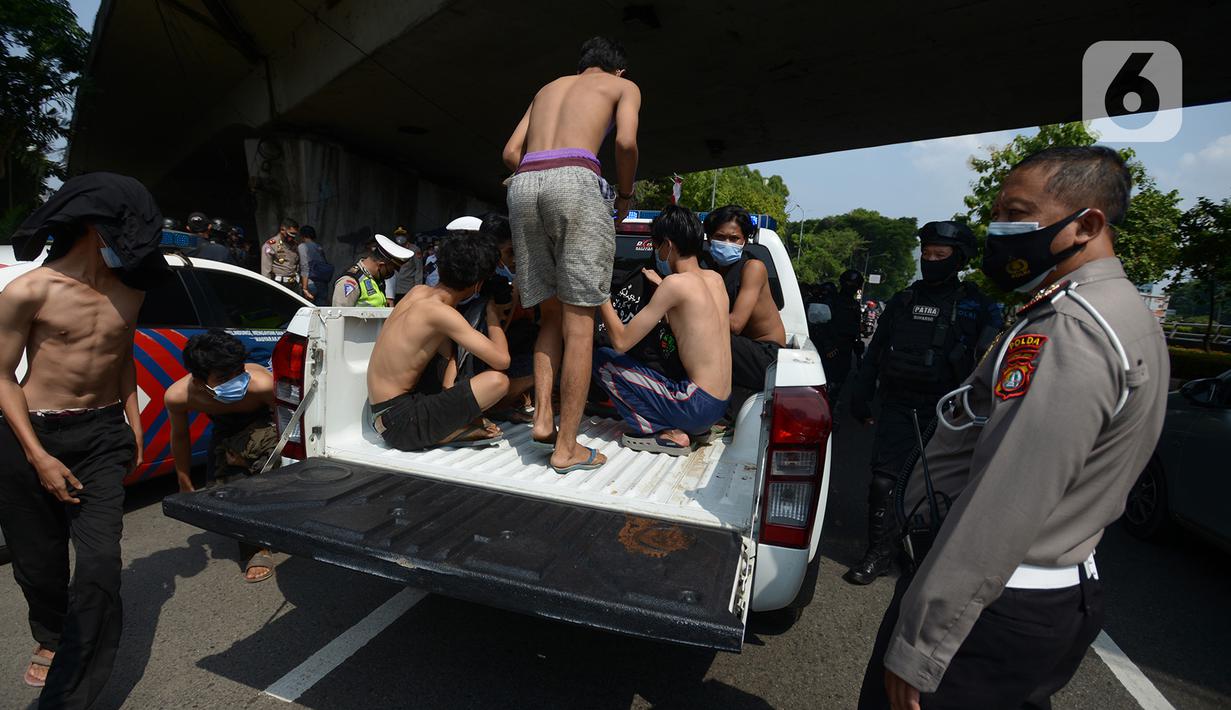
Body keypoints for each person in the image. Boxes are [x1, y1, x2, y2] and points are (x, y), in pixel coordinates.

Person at [860, 146, 1170, 710]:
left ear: (1087, 225)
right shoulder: (1111, 309)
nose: (999, 228)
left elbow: (1005, 500)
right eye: (998, 212)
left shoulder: (1069, 329)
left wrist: (922, 642)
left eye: (1017, 213)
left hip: (990, 604)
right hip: (1028, 594)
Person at [0, 173, 166, 706]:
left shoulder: (131, 290)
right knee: (38, 564)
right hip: (31, 432)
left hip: (101, 434)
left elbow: (121, 359)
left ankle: (69, 697)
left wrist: (134, 427)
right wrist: (38, 456)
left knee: (98, 566)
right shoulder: (30, 290)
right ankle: (51, 634)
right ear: (98, 228)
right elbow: (2, 376)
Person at [502, 36, 641, 473]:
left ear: (582, 66)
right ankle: (566, 449)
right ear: (619, 69)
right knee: (581, 323)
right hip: (576, 180)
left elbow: (510, 152)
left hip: (524, 183)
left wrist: (539, 177)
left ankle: (543, 416)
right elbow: (625, 143)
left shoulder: (546, 89)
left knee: (550, 315)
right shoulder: (623, 86)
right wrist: (624, 194)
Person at [844, 222, 1001, 586]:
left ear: (958, 259)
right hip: (899, 404)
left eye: (939, 255)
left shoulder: (979, 306)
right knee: (884, 483)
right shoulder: (904, 300)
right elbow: (875, 353)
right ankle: (879, 554)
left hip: (950, 413)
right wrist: (860, 397)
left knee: (935, 488)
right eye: (926, 254)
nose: (930, 261)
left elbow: (990, 362)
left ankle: (924, 554)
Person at [595, 205, 731, 459]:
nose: (657, 254)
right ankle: (690, 426)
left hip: (695, 404)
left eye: (657, 247)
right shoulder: (715, 279)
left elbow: (621, 342)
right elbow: (690, 322)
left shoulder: (675, 285)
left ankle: (662, 432)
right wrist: (662, 287)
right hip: (719, 407)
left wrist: (601, 294)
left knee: (603, 360)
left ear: (667, 245)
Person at [367, 234, 510, 451]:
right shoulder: (440, 313)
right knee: (498, 382)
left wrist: (450, 392)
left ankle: (451, 427)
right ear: (478, 285)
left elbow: (446, 357)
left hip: (385, 416)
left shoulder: (418, 292)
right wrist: (492, 314)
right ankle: (450, 432)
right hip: (402, 425)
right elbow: (502, 360)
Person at [164, 330, 279, 582]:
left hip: (266, 423)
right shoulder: (179, 396)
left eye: (239, 372)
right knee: (224, 494)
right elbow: (180, 437)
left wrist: (253, 461)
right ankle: (253, 539)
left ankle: (258, 548)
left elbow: (289, 426)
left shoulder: (262, 385)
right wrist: (184, 480)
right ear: (198, 381)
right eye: (225, 378)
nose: (236, 381)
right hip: (225, 429)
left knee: (265, 477)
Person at [700, 204, 786, 418]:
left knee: (701, 336)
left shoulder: (753, 268)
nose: (727, 243)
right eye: (720, 237)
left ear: (744, 241)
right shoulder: (708, 268)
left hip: (766, 357)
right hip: (739, 350)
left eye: (734, 238)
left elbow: (735, 324)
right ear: (709, 239)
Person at [823, 269, 866, 407]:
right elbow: (821, 326)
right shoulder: (831, 301)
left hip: (845, 350)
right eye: (849, 283)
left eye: (854, 284)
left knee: (837, 386)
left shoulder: (855, 306)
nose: (851, 287)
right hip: (829, 347)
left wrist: (858, 352)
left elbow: (856, 330)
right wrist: (828, 345)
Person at [331, 234, 412, 307]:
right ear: (381, 265)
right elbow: (340, 315)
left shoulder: (376, 281)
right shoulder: (350, 282)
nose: (390, 274)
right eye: (390, 271)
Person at [260, 217, 302, 291]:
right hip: (279, 284)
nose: (292, 237)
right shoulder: (270, 245)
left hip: (294, 284)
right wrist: (268, 288)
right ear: (282, 230)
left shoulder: (295, 245)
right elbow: (266, 271)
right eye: (290, 234)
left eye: (295, 234)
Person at [297, 225, 332, 305]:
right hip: (322, 284)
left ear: (302, 235)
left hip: (310, 283)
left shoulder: (302, 246)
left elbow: (305, 267)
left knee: (308, 309)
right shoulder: (319, 247)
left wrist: (305, 288)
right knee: (321, 309)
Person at [390, 226, 422, 304]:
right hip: (393, 288)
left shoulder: (414, 250)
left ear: (407, 236)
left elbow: (419, 270)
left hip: (408, 288)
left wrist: (417, 288)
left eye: (402, 235)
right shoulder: (392, 248)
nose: (400, 237)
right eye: (398, 235)